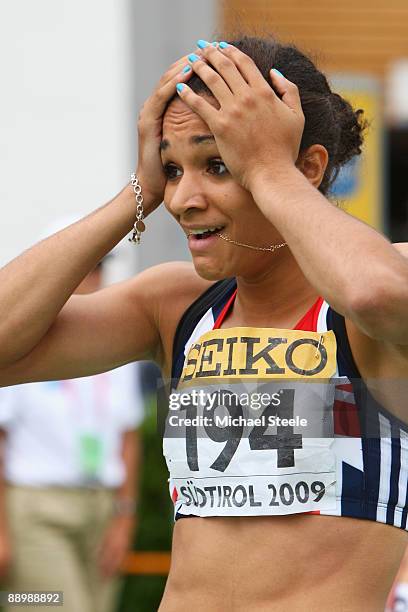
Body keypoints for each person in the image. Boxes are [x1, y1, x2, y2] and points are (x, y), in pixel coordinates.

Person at [0, 34, 407, 611]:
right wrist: (136, 194)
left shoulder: (375, 291)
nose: (183, 199)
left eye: (218, 164)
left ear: (309, 167)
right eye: (173, 167)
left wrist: (268, 167)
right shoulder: (177, 304)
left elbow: (375, 293)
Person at [0, 261, 143, 612]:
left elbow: (129, 437)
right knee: (46, 604)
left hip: (101, 508)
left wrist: (124, 520)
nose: (94, 277)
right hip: (35, 510)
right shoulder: (20, 341)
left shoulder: (120, 344)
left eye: (99, 267)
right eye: (83, 266)